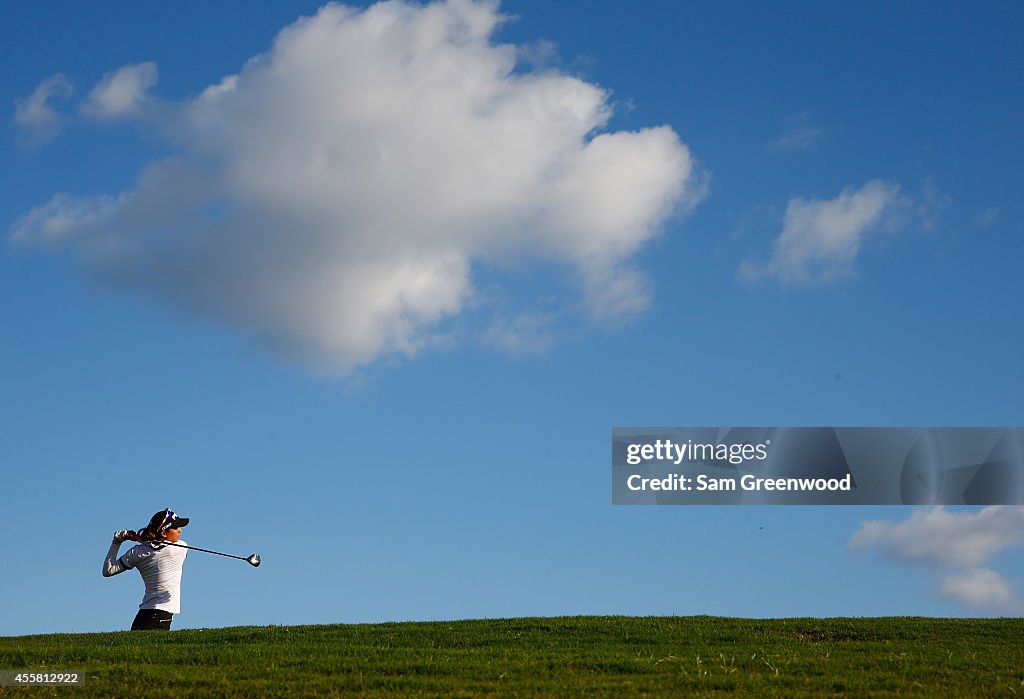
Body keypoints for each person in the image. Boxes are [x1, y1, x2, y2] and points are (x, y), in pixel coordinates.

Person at [102, 508, 190, 631]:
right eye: (176, 528)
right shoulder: (180, 548)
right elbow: (159, 547)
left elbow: (108, 570)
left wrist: (117, 542)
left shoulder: (137, 552)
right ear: (164, 533)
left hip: (143, 615)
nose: (180, 530)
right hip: (160, 616)